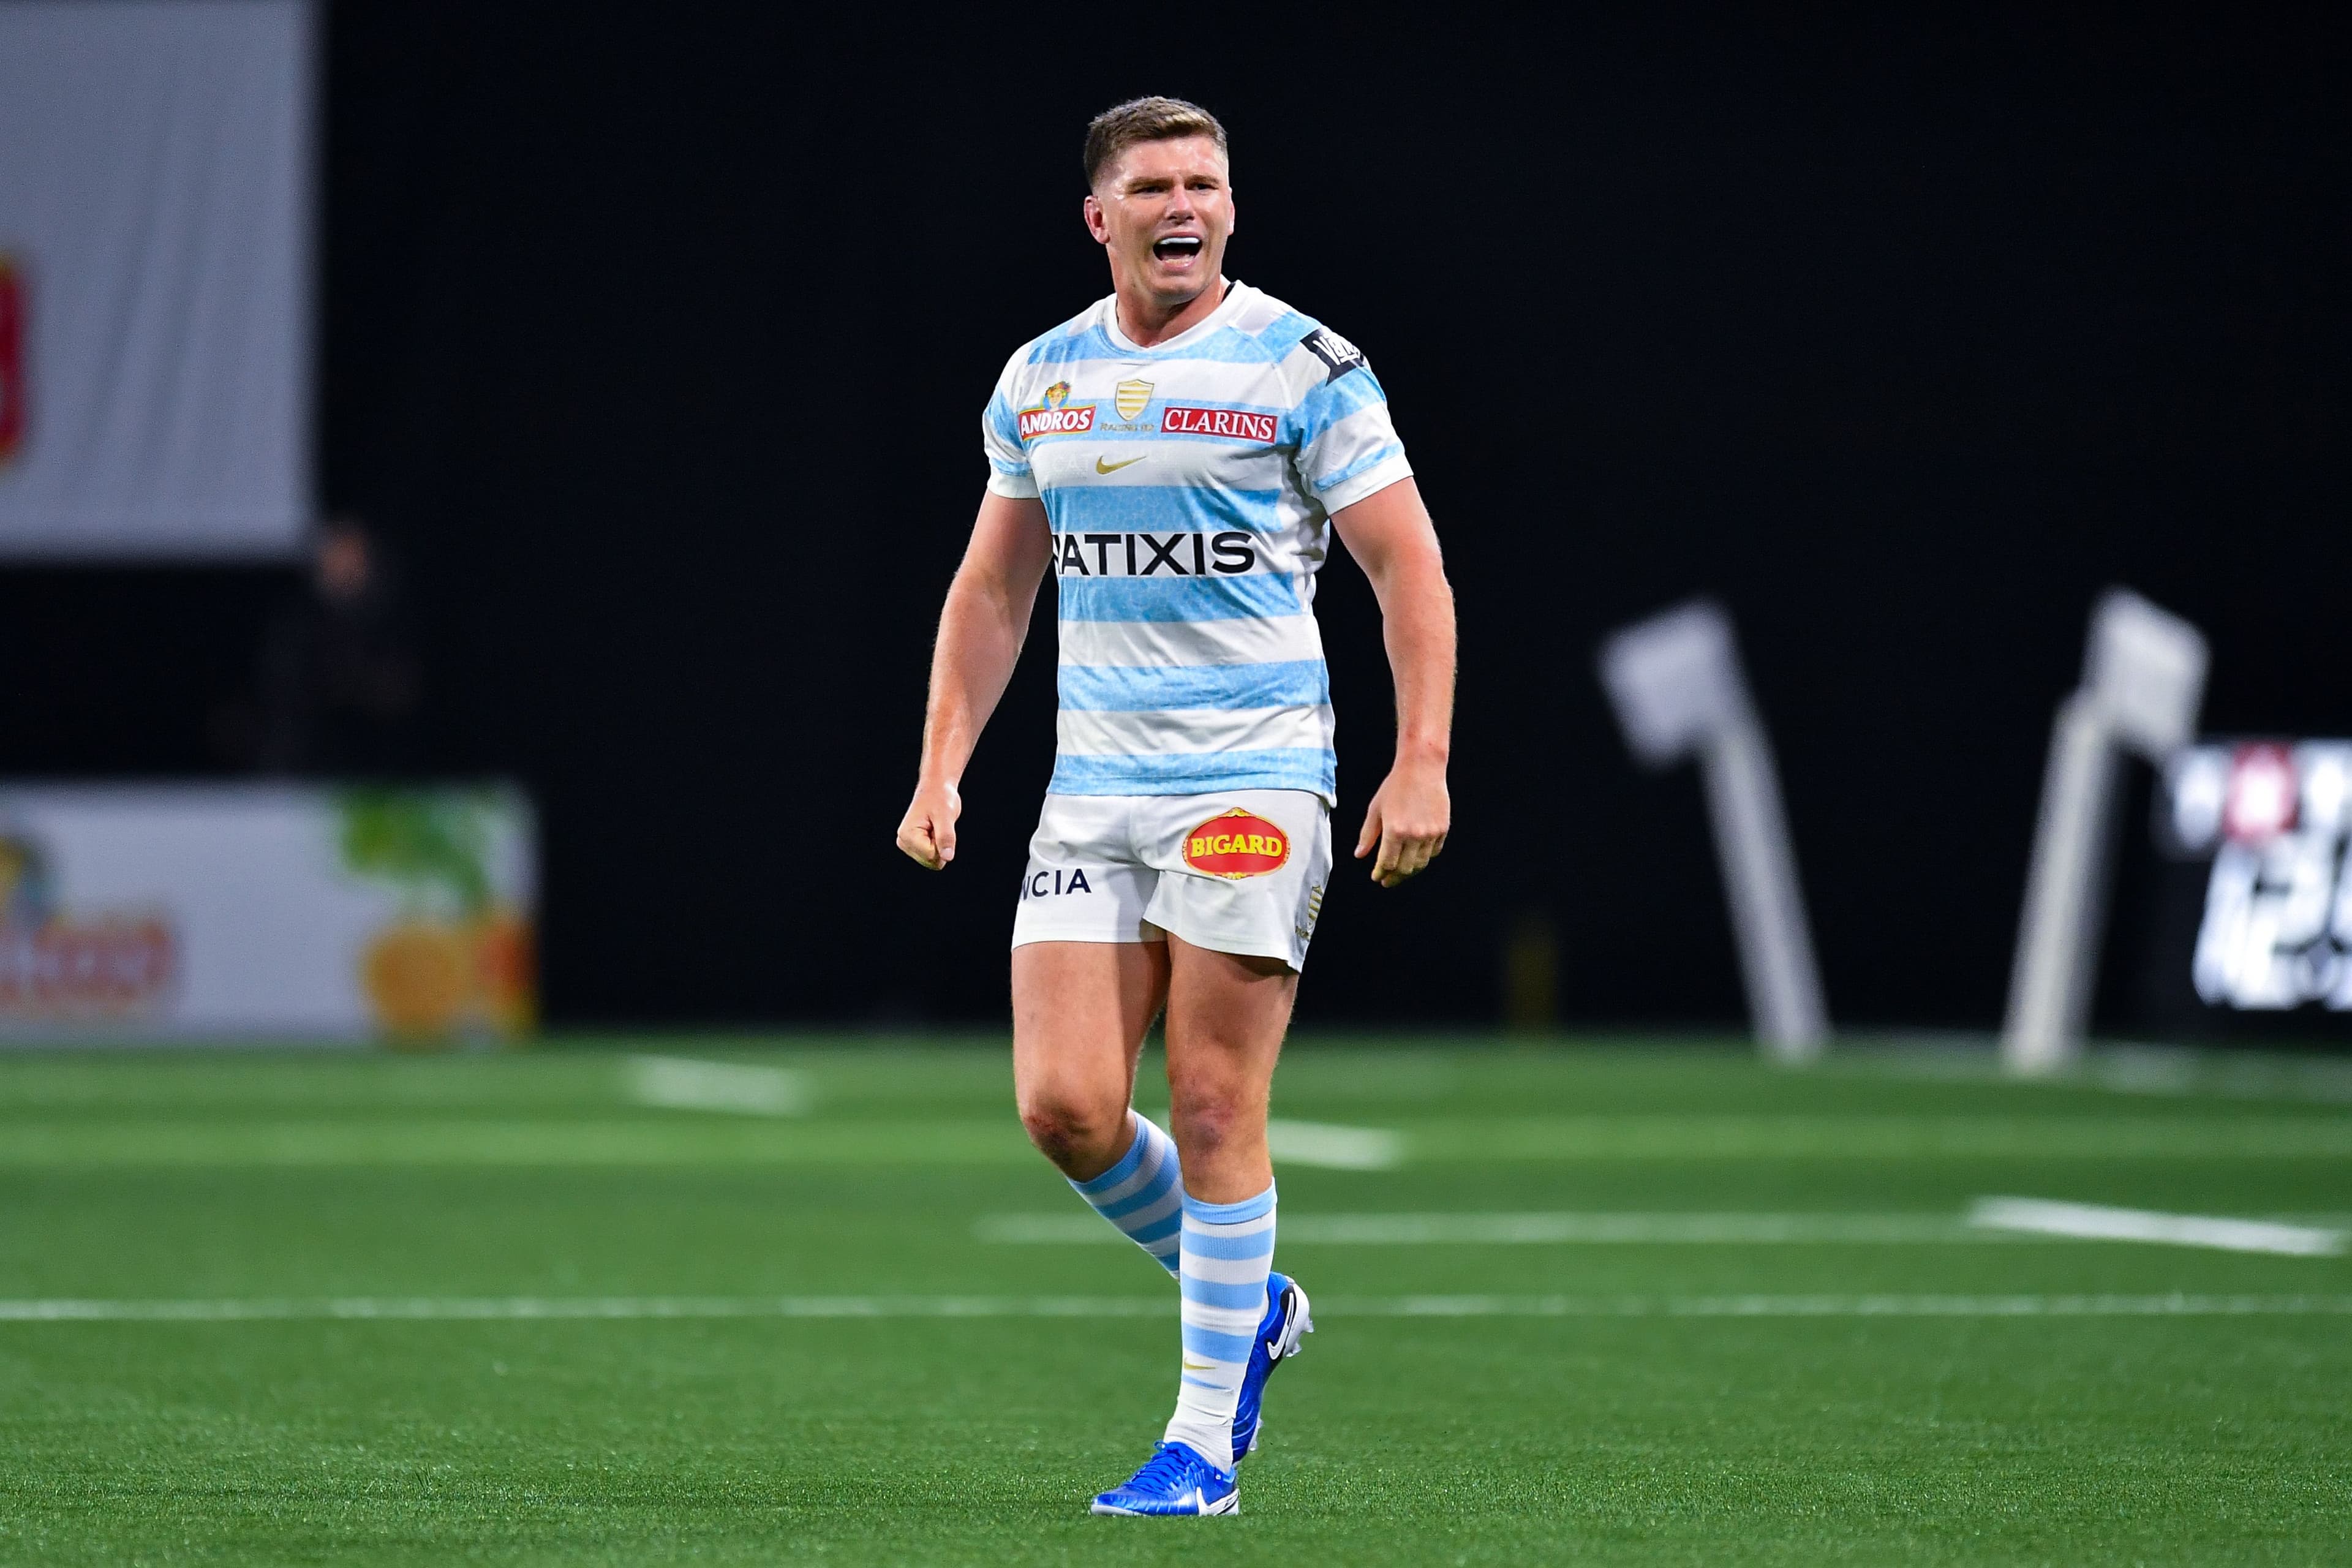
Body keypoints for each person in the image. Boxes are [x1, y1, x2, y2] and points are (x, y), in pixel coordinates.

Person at [895, 96, 1455, 1517]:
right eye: (1151, 184)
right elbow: (995, 587)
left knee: (1212, 1101)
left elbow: (1410, 574)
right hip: (1093, 792)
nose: (1180, 203)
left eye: (1203, 180)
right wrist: (943, 761)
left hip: (1254, 778)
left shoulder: (1304, 366)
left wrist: (1422, 757)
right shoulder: (1042, 380)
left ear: (1228, 207)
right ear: (1102, 217)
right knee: (1068, 1108)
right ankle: (1253, 1298)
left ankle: (1202, 1442)